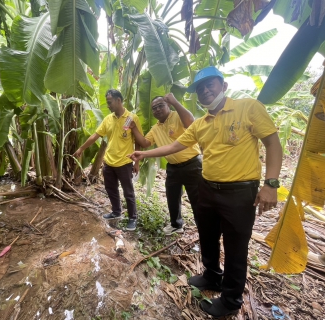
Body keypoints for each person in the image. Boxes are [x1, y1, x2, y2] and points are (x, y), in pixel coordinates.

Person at [129, 66, 282, 317]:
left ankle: (231, 300)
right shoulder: (201, 124)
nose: (204, 90)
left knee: (235, 247)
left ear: (223, 85)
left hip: (240, 191)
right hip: (208, 187)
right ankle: (212, 276)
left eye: (209, 84)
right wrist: (143, 153)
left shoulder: (248, 107)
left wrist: (271, 184)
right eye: (200, 88)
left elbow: (272, 143)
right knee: (207, 234)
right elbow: (177, 145)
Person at [129, 93, 202, 235]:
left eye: (160, 105)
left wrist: (175, 101)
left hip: (192, 164)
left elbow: (190, 122)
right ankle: (176, 224)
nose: (157, 110)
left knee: (197, 199)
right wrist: (134, 128)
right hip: (173, 167)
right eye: (154, 108)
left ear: (168, 105)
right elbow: (144, 143)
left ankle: (203, 230)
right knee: (172, 196)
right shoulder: (155, 128)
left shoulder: (177, 115)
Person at [74, 89, 142, 231]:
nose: (108, 105)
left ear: (119, 100)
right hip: (109, 162)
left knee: (128, 191)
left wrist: (137, 162)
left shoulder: (131, 118)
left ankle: (132, 218)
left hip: (124, 162)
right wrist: (81, 149)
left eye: (110, 102)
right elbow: (95, 136)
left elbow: (139, 142)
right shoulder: (108, 119)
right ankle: (116, 212)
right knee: (111, 189)